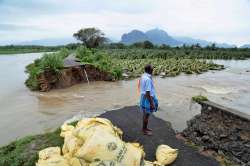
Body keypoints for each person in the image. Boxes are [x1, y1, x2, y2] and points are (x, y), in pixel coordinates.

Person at [139, 64, 158, 135]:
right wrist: (152, 103)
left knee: (145, 114)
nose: (153, 69)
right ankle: (144, 130)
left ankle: (145, 128)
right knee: (146, 115)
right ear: (150, 70)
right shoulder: (147, 79)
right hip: (147, 98)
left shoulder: (143, 76)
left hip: (144, 97)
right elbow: (148, 93)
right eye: (152, 68)